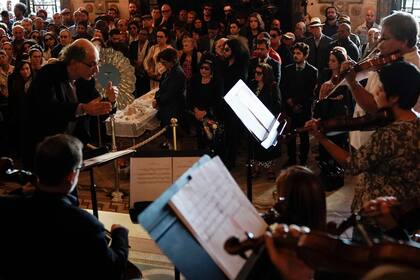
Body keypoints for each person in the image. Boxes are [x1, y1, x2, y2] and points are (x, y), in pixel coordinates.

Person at [0, 134, 134, 279]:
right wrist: (120, 235)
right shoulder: (86, 224)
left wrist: (20, 192)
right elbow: (113, 271)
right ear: (71, 175)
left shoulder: (7, 207)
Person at [305, 61, 420, 212]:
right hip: (404, 210)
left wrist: (322, 138)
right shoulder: (415, 120)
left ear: (394, 98)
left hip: (378, 212)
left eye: (381, 88)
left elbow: (352, 164)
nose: (375, 92)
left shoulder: (389, 134)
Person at [24, 38, 116, 169]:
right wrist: (82, 108)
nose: (96, 70)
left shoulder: (86, 80)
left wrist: (111, 100)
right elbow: (47, 108)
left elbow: (97, 108)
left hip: (73, 149)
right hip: (46, 149)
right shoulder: (48, 74)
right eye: (91, 64)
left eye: (97, 64)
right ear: (73, 62)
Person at [346, 11, 420, 149]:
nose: (379, 44)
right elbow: (366, 73)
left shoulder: (407, 69)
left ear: (403, 41)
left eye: (384, 38)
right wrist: (341, 79)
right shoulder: (389, 58)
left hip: (377, 142)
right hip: (364, 135)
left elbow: (375, 107)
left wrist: (352, 84)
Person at [281, 42, 318, 166]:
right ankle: (291, 159)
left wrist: (297, 103)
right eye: (294, 53)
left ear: (305, 55)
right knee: (290, 135)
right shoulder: (287, 69)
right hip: (290, 108)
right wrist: (290, 102)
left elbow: (309, 91)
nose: (295, 56)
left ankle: (303, 161)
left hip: (304, 108)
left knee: (303, 136)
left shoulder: (312, 71)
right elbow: (284, 88)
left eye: (298, 53)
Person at [250, 63, 281, 179]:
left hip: (267, 121)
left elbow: (277, 105)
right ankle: (256, 168)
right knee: (255, 145)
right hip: (255, 120)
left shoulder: (273, 86)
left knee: (267, 146)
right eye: (255, 72)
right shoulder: (253, 84)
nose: (256, 75)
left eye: (259, 73)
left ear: (266, 74)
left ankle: (270, 169)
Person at [152, 48, 186, 146]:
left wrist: (157, 100)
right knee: (169, 137)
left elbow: (170, 94)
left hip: (174, 111)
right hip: (167, 109)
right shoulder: (168, 71)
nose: (163, 65)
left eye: (165, 62)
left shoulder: (178, 74)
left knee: (175, 138)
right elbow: (161, 88)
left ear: (173, 61)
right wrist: (156, 98)